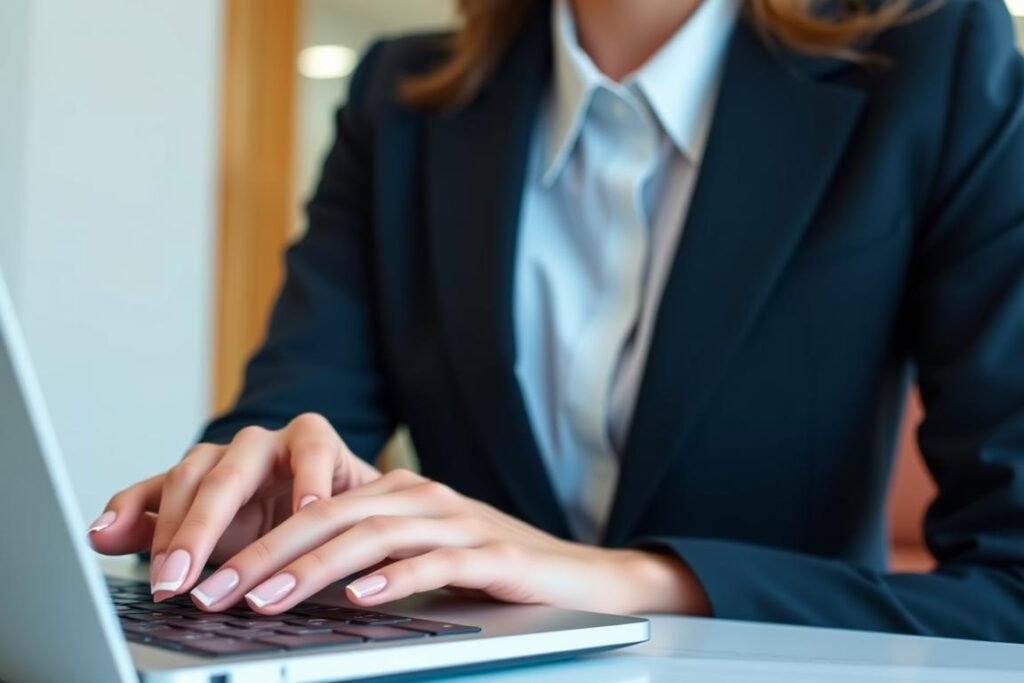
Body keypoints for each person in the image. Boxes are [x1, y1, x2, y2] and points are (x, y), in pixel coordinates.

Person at [88, 0, 1024, 641]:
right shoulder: (401, 101)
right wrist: (251, 502)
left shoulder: (936, 60)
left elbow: (1011, 578)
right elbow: (301, 412)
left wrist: (621, 578)